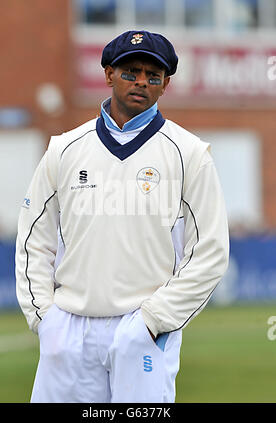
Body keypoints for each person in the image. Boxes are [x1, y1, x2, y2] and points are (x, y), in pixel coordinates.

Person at [15, 30, 229, 403]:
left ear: (166, 85)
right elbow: (34, 238)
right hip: (69, 328)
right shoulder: (65, 149)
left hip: (142, 329)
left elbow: (210, 253)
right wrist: (44, 318)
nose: (142, 81)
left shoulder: (189, 153)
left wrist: (153, 321)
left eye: (153, 75)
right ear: (109, 74)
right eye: (131, 72)